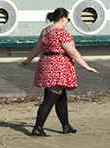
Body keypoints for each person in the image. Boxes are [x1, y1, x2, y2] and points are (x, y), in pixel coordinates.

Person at [22, 8, 98, 136]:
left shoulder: (45, 31)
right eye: (68, 19)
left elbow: (37, 48)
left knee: (60, 97)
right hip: (58, 66)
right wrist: (86, 66)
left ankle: (66, 126)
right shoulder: (62, 33)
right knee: (50, 98)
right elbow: (72, 52)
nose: (68, 22)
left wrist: (28, 60)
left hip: (46, 64)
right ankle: (38, 127)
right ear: (63, 18)